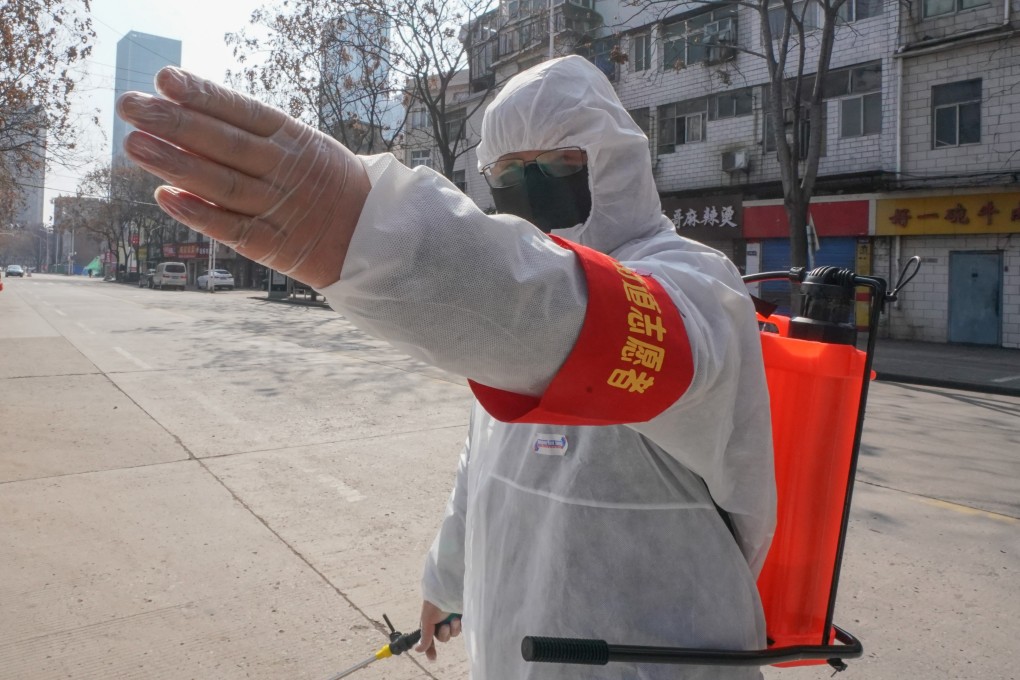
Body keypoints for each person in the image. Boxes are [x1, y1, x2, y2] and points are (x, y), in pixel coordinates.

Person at [117, 56, 776, 679]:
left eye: (554, 165)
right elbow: (484, 474)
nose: (530, 188)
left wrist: (373, 234)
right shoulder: (506, 342)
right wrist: (445, 582)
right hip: (513, 653)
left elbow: (559, 312)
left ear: (615, 160)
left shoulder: (695, 284)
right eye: (509, 175)